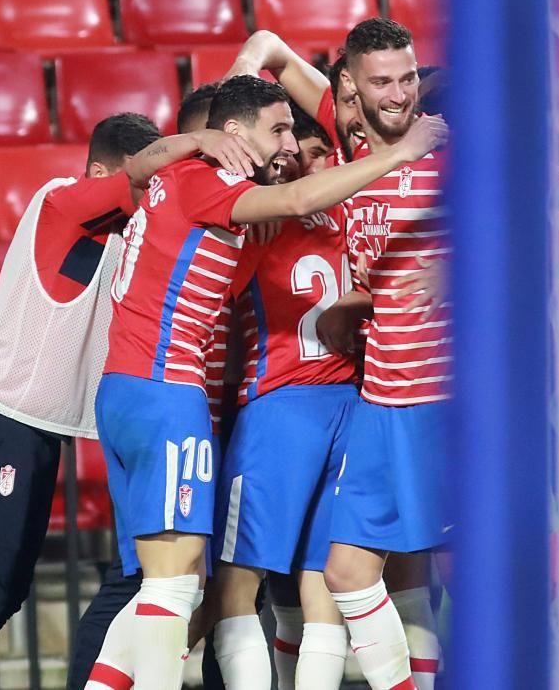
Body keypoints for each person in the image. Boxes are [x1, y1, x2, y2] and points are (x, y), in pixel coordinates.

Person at [86, 75, 447, 689]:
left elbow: (146, 160)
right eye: (277, 129)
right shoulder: (220, 186)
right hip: (175, 390)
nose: (287, 142)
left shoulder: (177, 178)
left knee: (188, 586)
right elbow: (296, 199)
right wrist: (400, 151)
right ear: (232, 135)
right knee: (202, 588)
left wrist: (191, 138)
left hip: (137, 389)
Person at [0, 111, 259, 690]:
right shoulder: (57, 200)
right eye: (145, 178)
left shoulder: (135, 233)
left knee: (3, 595)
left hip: (30, 430)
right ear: (100, 171)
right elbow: (147, 183)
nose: (156, 192)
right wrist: (203, 140)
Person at [231, 26, 447, 690]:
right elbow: (268, 47)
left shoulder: (450, 147)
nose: (399, 93)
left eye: (407, 78)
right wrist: (234, 95)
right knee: (350, 575)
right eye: (381, 81)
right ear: (350, 85)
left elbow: (547, 224)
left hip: (443, 403)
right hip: (380, 400)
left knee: (465, 579)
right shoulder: (354, 150)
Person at [208, 103, 353, 690]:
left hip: (278, 407)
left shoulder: (253, 221)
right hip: (346, 403)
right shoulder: (342, 211)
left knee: (236, 590)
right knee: (323, 593)